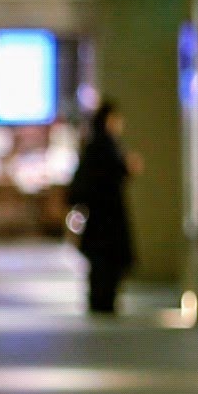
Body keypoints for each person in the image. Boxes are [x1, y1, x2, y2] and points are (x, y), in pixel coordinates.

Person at [67, 99, 142, 314]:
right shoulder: (104, 147)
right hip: (106, 219)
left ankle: (101, 301)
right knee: (106, 265)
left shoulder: (97, 146)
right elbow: (109, 176)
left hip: (99, 219)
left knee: (102, 265)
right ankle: (103, 303)